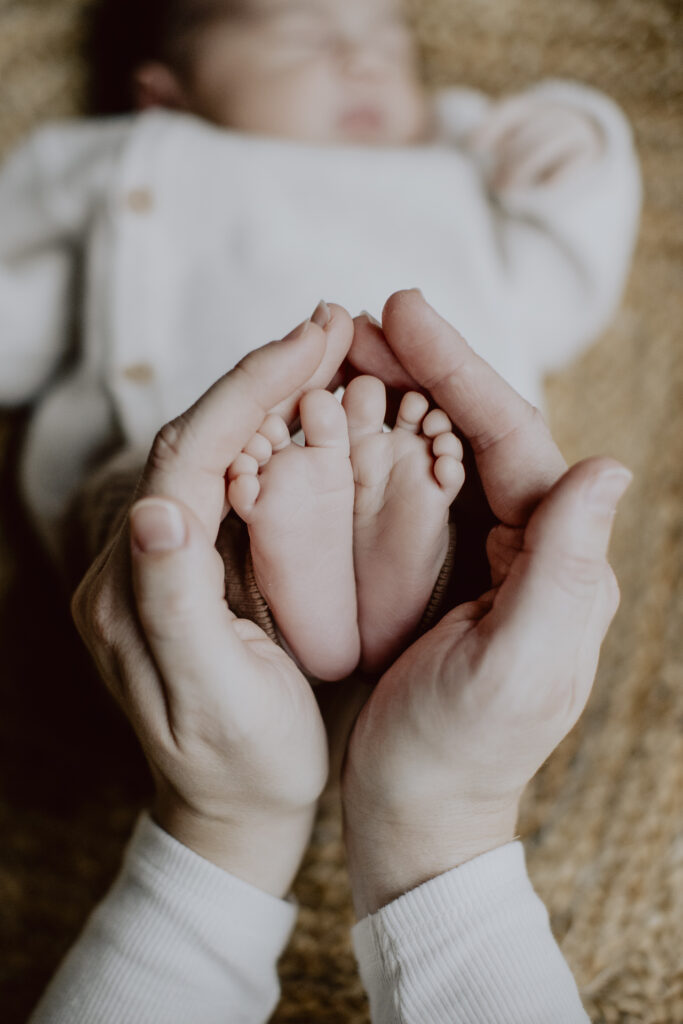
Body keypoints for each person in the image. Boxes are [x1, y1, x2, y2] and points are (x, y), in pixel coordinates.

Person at [29, 292, 632, 1023]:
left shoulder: (117, 174)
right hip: (420, 429)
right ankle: (393, 593)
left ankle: (264, 594)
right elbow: (574, 273)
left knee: (143, 527)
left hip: (213, 430)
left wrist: (225, 821)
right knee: (141, 516)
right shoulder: (459, 190)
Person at [0, 0, 640, 592]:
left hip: (436, 480)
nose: (365, 60)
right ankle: (268, 586)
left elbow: (563, 296)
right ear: (166, 96)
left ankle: (400, 573)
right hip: (173, 469)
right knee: (146, 506)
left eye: (391, 41)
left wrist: (579, 157)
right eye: (303, 36)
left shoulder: (461, 162)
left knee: (449, 499)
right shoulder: (127, 163)